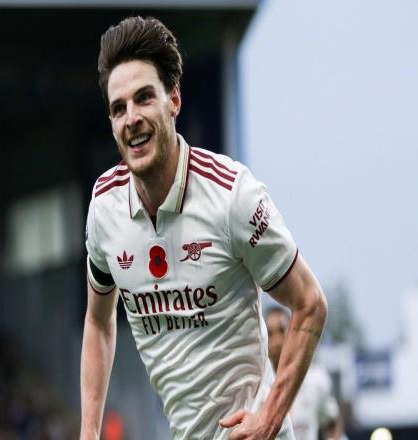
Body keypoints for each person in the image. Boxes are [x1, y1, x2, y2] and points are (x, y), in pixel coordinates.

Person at [80, 16, 328, 440]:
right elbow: (99, 323)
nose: (131, 118)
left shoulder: (232, 195)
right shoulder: (105, 208)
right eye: (119, 108)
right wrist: (88, 433)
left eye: (144, 98)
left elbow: (310, 303)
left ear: (174, 99)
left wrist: (269, 418)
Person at [265, 306, 342, 440]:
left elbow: (332, 421)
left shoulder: (316, 379)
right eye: (270, 334)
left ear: (292, 334)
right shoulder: (258, 385)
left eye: (282, 331)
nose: (276, 341)